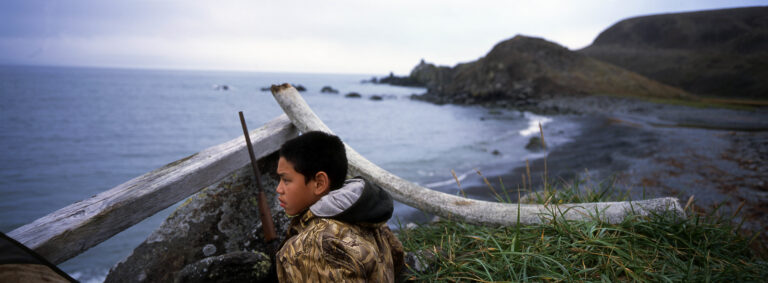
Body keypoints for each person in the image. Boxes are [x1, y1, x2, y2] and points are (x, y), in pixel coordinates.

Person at [274, 131, 404, 282]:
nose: (279, 189)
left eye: (286, 180)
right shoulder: (368, 217)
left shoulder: (314, 246)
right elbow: (398, 259)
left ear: (319, 183)